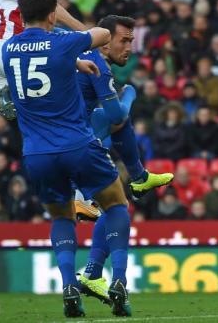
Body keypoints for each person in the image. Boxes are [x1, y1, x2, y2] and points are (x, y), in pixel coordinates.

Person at [1, 0, 131, 317]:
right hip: (77, 144)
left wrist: (72, 61)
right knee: (116, 204)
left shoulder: (8, 49)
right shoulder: (63, 41)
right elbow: (101, 34)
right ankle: (118, 279)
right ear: (51, 14)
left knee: (62, 216)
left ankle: (69, 285)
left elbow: (38, 57)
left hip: (37, 154)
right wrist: (71, 33)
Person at [74, 16, 174, 299]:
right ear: (105, 43)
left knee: (113, 206)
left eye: (132, 40)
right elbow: (117, 115)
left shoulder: (78, 54)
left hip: (51, 138)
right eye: (124, 40)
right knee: (120, 109)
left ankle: (90, 275)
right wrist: (129, 94)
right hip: (78, 143)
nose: (130, 47)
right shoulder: (97, 66)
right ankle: (136, 178)